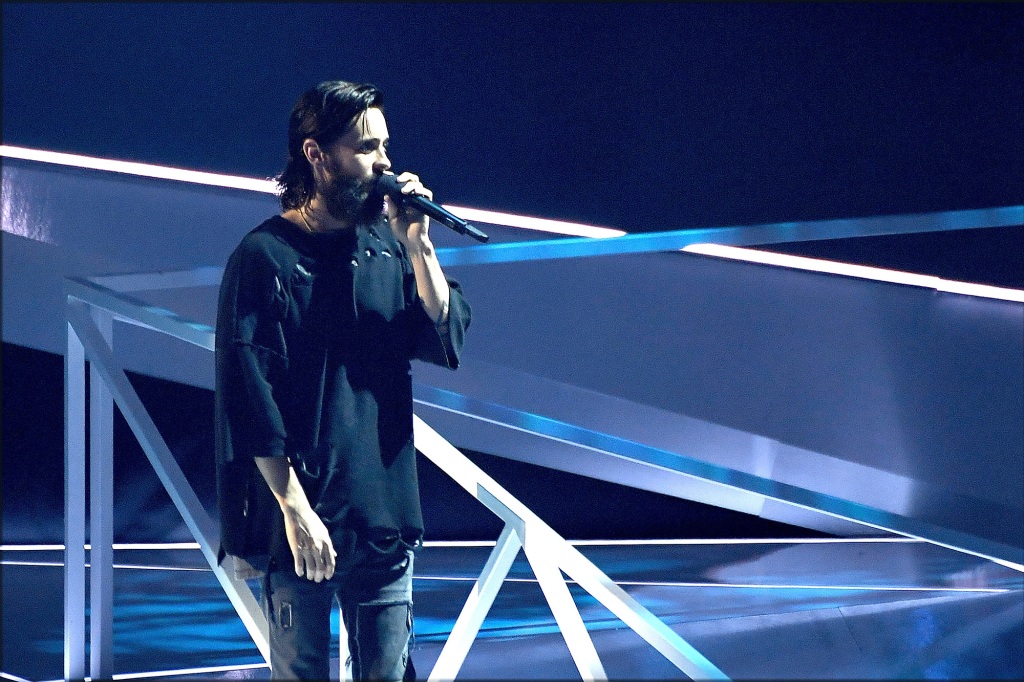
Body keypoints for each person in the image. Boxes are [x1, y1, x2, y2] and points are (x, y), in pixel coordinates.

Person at [214, 80, 471, 680]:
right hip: (301, 517)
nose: (384, 162)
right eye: (365, 148)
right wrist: (293, 508)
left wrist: (419, 246)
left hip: (380, 509)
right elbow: (249, 393)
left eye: (384, 146)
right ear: (316, 155)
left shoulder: (386, 248)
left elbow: (443, 332)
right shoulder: (264, 257)